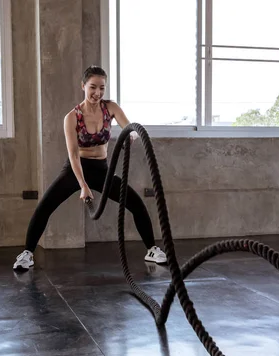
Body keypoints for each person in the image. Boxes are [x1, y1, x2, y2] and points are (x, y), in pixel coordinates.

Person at [13, 65, 167, 271]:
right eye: (93, 87)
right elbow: (74, 154)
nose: (97, 93)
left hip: (102, 170)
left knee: (136, 203)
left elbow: (129, 126)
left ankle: (152, 249)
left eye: (102, 88)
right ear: (83, 86)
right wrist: (83, 185)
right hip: (76, 168)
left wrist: (131, 134)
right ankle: (27, 254)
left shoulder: (110, 108)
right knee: (45, 207)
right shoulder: (72, 117)